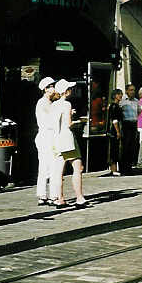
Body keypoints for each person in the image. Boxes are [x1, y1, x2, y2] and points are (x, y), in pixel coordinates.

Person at [52, 79, 88, 208]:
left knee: (58, 171)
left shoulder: (54, 105)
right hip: (67, 140)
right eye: (70, 89)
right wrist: (80, 122)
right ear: (66, 92)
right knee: (78, 168)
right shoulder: (67, 104)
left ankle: (59, 198)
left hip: (56, 140)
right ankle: (79, 197)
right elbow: (68, 124)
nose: (72, 91)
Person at [33, 76, 61, 205]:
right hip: (47, 136)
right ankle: (51, 195)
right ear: (46, 89)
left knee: (45, 166)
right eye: (52, 86)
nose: (54, 89)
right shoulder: (43, 103)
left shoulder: (49, 102)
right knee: (51, 166)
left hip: (47, 136)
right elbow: (51, 119)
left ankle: (43, 194)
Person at [119, 84, 139, 175]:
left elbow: (139, 112)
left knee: (132, 146)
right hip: (126, 124)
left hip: (134, 123)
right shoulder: (123, 102)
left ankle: (129, 168)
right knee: (125, 146)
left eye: (134, 90)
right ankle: (124, 168)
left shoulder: (136, 101)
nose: (132, 92)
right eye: (130, 90)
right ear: (126, 91)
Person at [107, 89, 123, 176]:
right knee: (114, 149)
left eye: (121, 94)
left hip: (114, 130)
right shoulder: (114, 106)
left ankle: (115, 168)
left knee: (116, 149)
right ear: (115, 95)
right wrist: (118, 132)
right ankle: (113, 169)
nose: (120, 96)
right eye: (119, 94)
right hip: (113, 131)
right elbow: (114, 120)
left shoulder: (116, 106)